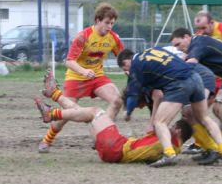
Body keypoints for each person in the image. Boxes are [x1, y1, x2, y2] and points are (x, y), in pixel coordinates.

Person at [35, 70, 192, 164]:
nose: (167, 128)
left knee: (95, 111)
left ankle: (52, 113)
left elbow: (154, 125)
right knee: (88, 115)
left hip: (117, 147)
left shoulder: (168, 142)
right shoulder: (174, 149)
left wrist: (157, 100)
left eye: (171, 127)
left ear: (177, 130)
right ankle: (54, 94)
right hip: (113, 152)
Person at [118, 47, 222, 167]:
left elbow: (132, 95)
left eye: (125, 69)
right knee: (204, 118)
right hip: (195, 78)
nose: (127, 72)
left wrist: (128, 112)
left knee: (159, 122)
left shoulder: (136, 65)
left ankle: (169, 155)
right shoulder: (154, 50)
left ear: (126, 61)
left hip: (179, 83)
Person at [39, 3, 124, 153]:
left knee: (117, 100)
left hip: (97, 77)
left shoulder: (113, 38)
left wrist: (131, 71)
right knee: (66, 115)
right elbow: (69, 61)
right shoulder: (83, 36)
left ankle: (100, 134)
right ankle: (47, 139)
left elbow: (123, 58)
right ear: (97, 20)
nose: (110, 26)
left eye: (112, 23)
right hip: (76, 77)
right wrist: (84, 71)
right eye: (107, 23)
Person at [170, 28, 222, 161]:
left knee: (219, 108)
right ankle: (215, 148)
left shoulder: (198, 42)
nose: (178, 49)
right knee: (214, 111)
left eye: (178, 44)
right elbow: (183, 60)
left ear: (187, 37)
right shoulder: (198, 43)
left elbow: (190, 64)